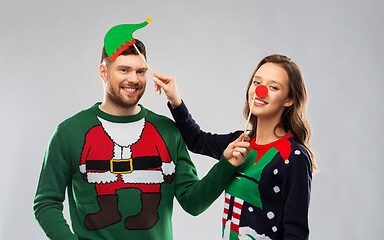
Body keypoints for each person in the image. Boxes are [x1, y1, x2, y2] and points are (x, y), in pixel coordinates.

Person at [33, 32, 251, 239]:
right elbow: (46, 204)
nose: (134, 79)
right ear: (103, 72)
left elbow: (193, 202)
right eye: (124, 70)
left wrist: (226, 165)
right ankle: (108, 209)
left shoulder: (167, 130)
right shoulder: (70, 132)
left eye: (140, 71)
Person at [154, 54, 319, 240]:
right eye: (257, 83)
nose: (261, 91)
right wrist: (175, 101)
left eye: (273, 87)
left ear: (289, 99)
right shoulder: (240, 143)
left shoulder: (294, 156)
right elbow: (196, 140)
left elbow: (296, 232)